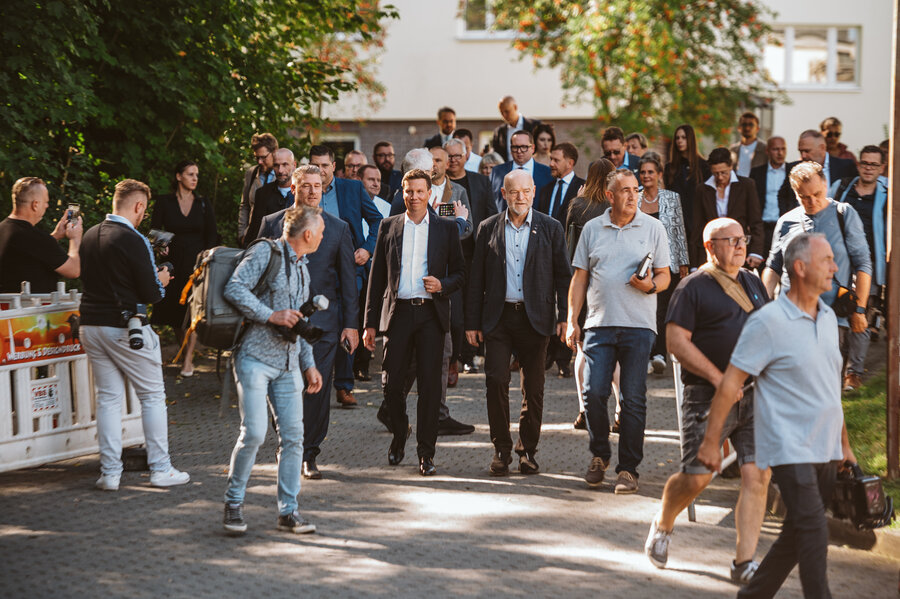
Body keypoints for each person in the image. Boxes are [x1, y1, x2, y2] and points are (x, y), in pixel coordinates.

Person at [698, 232, 857, 599]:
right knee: (815, 529)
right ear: (800, 269)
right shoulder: (768, 322)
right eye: (827, 261)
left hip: (825, 445)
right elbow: (730, 384)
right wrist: (711, 441)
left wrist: (845, 446)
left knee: (796, 534)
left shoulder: (830, 317)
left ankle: (752, 595)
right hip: (787, 445)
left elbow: (831, 390)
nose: (835, 267)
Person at [645, 217, 770, 585]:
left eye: (742, 238)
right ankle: (663, 524)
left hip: (756, 394)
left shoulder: (753, 282)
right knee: (697, 477)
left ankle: (743, 562)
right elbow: (676, 343)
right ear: (709, 247)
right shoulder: (692, 287)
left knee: (757, 475)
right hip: (707, 395)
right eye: (729, 240)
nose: (739, 245)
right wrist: (720, 380)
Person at [79, 179, 189, 491]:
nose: (143, 215)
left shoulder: (88, 236)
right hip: (125, 327)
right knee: (152, 396)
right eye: (144, 209)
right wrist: (163, 279)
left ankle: (110, 473)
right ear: (138, 206)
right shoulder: (133, 239)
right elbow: (152, 293)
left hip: (90, 325)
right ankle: (160, 468)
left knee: (108, 399)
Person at [566, 168, 671, 495]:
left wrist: (650, 285)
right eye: (624, 190)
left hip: (639, 326)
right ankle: (599, 454)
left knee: (633, 398)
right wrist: (572, 319)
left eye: (635, 189)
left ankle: (628, 469)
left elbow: (665, 275)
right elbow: (580, 278)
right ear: (609, 195)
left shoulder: (653, 227)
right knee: (594, 393)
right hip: (598, 324)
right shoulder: (593, 228)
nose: (631, 195)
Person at [222, 205, 324, 535]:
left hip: (288, 363)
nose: (322, 235)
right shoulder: (266, 253)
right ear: (307, 234)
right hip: (253, 357)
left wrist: (309, 366)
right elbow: (234, 288)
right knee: (253, 433)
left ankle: (288, 511)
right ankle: (233, 503)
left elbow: (298, 322)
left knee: (294, 438)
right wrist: (270, 315)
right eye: (320, 231)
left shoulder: (304, 269)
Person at [256, 166, 358, 480]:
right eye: (306, 186)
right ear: (294, 188)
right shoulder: (271, 223)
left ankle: (308, 453)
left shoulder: (338, 228)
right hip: (280, 324)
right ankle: (287, 443)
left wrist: (351, 325)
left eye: (318, 186)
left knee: (316, 388)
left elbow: (348, 281)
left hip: (323, 326)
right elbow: (256, 273)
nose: (312, 191)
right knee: (282, 388)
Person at [466, 169, 570, 475]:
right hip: (498, 319)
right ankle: (501, 449)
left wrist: (564, 317)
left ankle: (528, 451)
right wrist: (472, 323)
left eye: (525, 191)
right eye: (513, 192)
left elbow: (565, 277)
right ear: (504, 194)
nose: (520, 197)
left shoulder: (550, 228)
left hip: (535, 319)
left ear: (534, 192)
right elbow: (476, 281)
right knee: (495, 380)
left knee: (533, 388)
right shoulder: (487, 228)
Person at [363, 169, 466, 476]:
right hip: (398, 315)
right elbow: (376, 277)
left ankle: (426, 453)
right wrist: (369, 324)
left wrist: (442, 284)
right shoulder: (389, 226)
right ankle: (399, 434)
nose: (415, 197)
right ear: (402, 193)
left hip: (431, 316)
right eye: (409, 192)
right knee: (391, 385)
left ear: (428, 194)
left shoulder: (446, 229)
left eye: (420, 192)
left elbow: (461, 273)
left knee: (430, 388)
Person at [763, 161, 871, 380]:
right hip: (789, 317)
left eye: (817, 194)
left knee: (826, 389)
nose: (811, 201)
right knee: (791, 385)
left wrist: (859, 310)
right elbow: (773, 267)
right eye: (804, 196)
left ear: (826, 184)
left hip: (832, 317)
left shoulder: (844, 214)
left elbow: (863, 264)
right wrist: (763, 307)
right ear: (795, 194)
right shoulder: (786, 222)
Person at [309, 144, 383, 408]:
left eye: (324, 166)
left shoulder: (352, 188)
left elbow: (377, 221)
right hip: (312, 267)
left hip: (349, 265)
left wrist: (367, 248)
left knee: (347, 322)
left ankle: (343, 385)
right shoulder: (306, 191)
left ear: (333, 166)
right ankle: (312, 379)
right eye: (314, 166)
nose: (320, 171)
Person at [149, 161, 218, 377]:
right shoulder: (164, 202)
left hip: (197, 263)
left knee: (194, 310)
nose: (195, 178)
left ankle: (187, 359)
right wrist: (161, 248)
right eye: (190, 174)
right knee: (174, 313)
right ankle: (185, 350)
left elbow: (212, 234)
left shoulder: (203, 203)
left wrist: (210, 259)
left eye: (197, 174)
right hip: (173, 263)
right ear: (179, 176)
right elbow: (155, 231)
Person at [829, 145, 888, 390]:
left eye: (874, 164)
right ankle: (835, 370)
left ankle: (854, 373)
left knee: (861, 313)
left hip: (869, 263)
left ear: (882, 167)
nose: (868, 168)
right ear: (859, 164)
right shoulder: (842, 188)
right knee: (836, 315)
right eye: (864, 163)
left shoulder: (887, 193)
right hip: (839, 263)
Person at [565, 158, 615, 431]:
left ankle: (583, 410)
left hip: (583, 284)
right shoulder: (615, 206)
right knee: (614, 352)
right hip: (612, 287)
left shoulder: (578, 206)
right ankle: (620, 410)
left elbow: (567, 246)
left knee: (583, 350)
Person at [638, 152, 690, 374]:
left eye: (650, 172)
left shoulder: (671, 198)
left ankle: (659, 354)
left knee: (661, 309)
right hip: (641, 263)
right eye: (642, 172)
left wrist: (684, 262)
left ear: (659, 174)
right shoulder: (635, 198)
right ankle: (646, 354)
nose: (646, 176)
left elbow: (679, 231)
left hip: (666, 263)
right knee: (643, 309)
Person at [537, 142, 585, 377]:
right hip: (545, 255)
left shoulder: (582, 188)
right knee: (547, 301)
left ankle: (564, 357)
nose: (551, 164)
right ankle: (547, 350)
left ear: (570, 162)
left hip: (570, 256)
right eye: (551, 159)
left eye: (556, 160)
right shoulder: (544, 189)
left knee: (567, 303)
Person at [0, 177, 81, 293]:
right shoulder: (33, 237)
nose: (47, 206)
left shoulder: (4, 229)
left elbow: (29, 253)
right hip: (31, 309)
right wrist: (75, 238)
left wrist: (55, 235)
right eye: (46, 202)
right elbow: (73, 271)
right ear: (35, 205)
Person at [692, 147, 764, 269]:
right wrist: (694, 264)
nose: (720, 177)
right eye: (715, 173)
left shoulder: (747, 185)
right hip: (712, 253)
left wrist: (755, 252)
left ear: (731, 166)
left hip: (739, 251)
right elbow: (697, 228)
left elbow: (755, 222)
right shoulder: (702, 190)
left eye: (723, 172)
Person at [776, 130, 858, 212]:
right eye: (801, 151)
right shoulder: (793, 168)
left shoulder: (846, 167)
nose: (803, 156)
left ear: (822, 148)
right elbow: (783, 196)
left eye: (807, 151)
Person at [664, 124, 710, 250]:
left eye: (683, 137)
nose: (680, 141)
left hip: (698, 224)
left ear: (690, 139)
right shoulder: (670, 168)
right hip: (677, 224)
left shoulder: (704, 167)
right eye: (677, 138)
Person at [243, 149, 298, 247]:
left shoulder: (302, 193)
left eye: (285, 164)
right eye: (276, 165)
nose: (280, 170)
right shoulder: (262, 193)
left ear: (294, 165)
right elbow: (254, 228)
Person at [490, 130, 553, 211]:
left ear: (532, 148)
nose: (519, 151)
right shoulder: (497, 171)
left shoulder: (547, 173)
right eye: (515, 147)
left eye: (524, 147)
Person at [748, 136, 788, 256]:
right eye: (776, 149)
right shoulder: (757, 172)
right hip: (763, 228)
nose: (780, 153)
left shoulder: (792, 171)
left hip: (785, 227)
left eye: (783, 149)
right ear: (767, 151)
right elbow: (752, 201)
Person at [238, 132, 277, 244]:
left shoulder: (283, 176)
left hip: (274, 239)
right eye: (257, 157)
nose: (260, 161)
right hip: (251, 237)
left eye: (263, 157)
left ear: (274, 152)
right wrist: (242, 234)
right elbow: (245, 205)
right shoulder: (251, 173)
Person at [491, 95, 542, 162]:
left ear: (515, 107)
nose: (504, 115)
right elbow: (496, 155)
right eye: (501, 112)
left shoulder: (535, 126)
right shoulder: (499, 132)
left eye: (507, 111)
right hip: (507, 170)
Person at [729, 112, 767, 177]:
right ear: (739, 128)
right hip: (737, 185)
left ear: (757, 128)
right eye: (744, 125)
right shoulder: (733, 149)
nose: (747, 128)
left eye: (751, 125)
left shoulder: (765, 149)